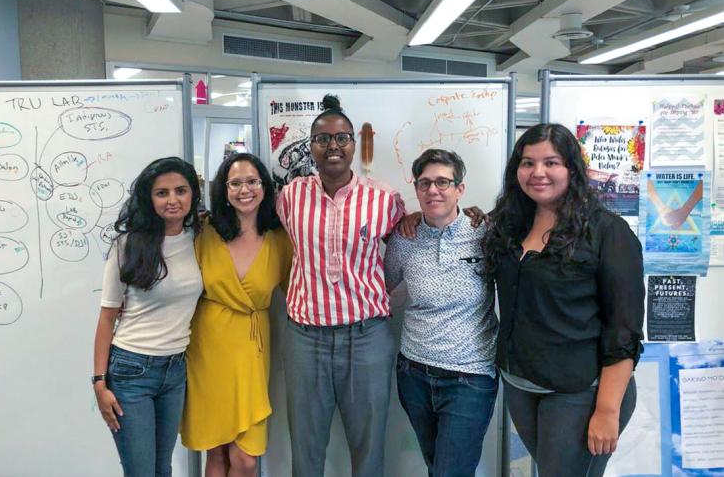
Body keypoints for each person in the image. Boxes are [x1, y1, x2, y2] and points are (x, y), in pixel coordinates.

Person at [483, 123, 644, 477]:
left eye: (551, 162)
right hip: (521, 385)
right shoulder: (509, 225)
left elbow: (624, 330)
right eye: (527, 163)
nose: (537, 172)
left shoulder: (606, 232)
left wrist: (606, 410)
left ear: (571, 168)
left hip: (580, 392)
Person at [276, 94, 405, 477]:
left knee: (368, 447)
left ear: (354, 144)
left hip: (366, 338)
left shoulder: (384, 200)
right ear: (311, 146)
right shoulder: (289, 196)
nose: (333, 146)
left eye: (342, 138)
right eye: (323, 139)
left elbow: (410, 243)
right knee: (306, 446)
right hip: (305, 338)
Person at [384, 149, 498, 477]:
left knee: (451, 471)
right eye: (424, 183)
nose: (433, 190)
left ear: (460, 189)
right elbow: (382, 288)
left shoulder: (484, 233)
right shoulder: (404, 239)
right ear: (417, 188)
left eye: (443, 182)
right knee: (438, 467)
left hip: (470, 377)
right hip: (414, 374)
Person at [180, 153, 292, 477]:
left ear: (264, 187)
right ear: (224, 190)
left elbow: (298, 291)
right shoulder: (204, 232)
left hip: (252, 351)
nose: (245, 189)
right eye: (235, 183)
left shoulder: (280, 238)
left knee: (245, 460)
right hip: (207, 349)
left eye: (252, 181)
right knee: (215, 452)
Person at [93, 157, 203, 477]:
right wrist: (100, 383)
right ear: (149, 198)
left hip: (175, 370)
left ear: (193, 195)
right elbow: (106, 318)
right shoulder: (128, 244)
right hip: (131, 371)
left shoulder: (199, 238)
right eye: (162, 193)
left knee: (162, 468)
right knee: (141, 471)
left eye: (181, 191)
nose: (172, 200)